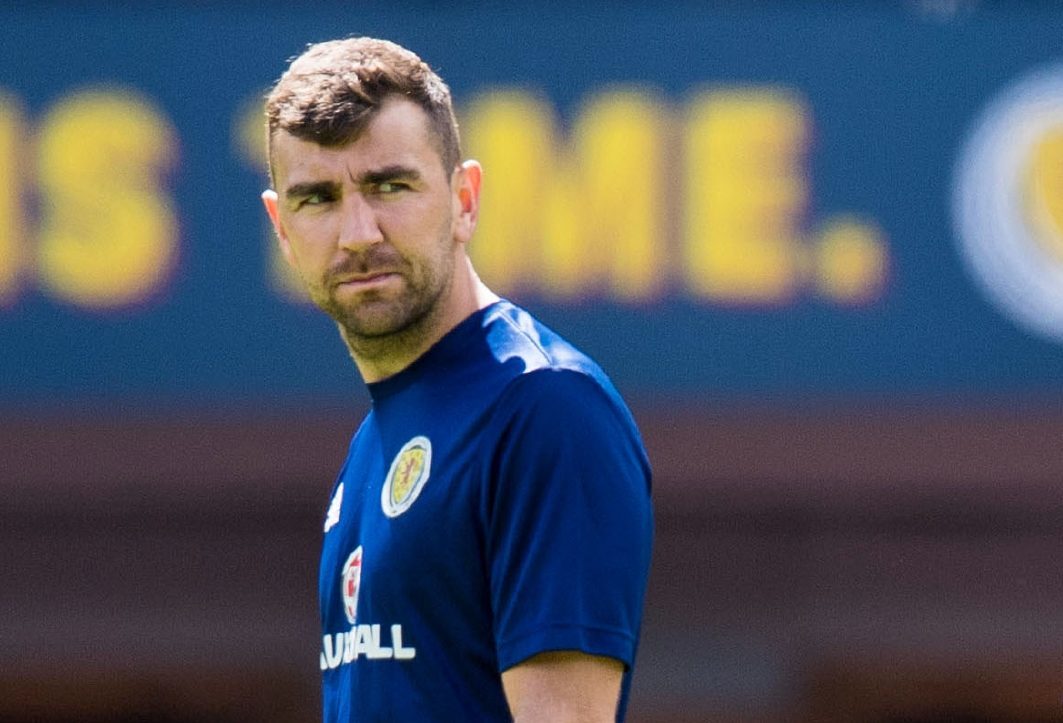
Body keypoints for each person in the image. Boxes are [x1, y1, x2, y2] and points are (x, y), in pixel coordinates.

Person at [261, 36, 653, 722]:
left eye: (390, 185)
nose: (357, 232)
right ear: (283, 229)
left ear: (464, 198)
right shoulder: (372, 443)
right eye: (318, 198)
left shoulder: (542, 407)